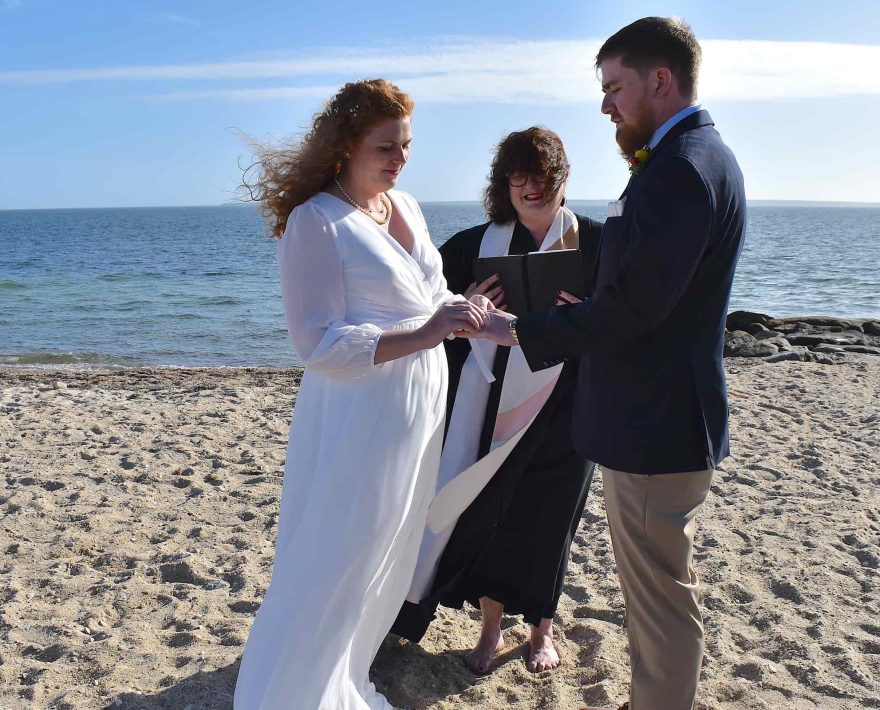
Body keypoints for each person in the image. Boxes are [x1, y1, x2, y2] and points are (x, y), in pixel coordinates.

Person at [472, 18, 746, 710]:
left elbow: (632, 310)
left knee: (659, 594)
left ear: (660, 81)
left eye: (614, 88)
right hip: (665, 418)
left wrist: (523, 329)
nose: (605, 106)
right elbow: (647, 294)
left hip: (657, 425)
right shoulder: (699, 157)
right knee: (657, 587)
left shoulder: (681, 170)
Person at [233, 79, 487, 710]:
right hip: (359, 413)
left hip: (419, 409)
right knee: (335, 556)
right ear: (346, 146)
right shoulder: (315, 222)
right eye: (385, 147)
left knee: (387, 555)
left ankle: (342, 678)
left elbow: (429, 299)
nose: (399, 159)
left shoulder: (407, 206)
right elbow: (317, 345)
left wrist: (475, 316)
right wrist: (428, 330)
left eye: (406, 145)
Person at [391, 127, 603, 675]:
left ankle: (541, 634)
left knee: (551, 521)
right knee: (494, 517)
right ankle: (490, 631)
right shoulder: (470, 247)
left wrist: (584, 314)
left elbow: (624, 321)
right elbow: (420, 308)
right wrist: (465, 307)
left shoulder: (599, 245)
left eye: (541, 174)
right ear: (503, 182)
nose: (530, 186)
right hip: (491, 405)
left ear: (562, 178)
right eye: (518, 175)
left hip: (567, 408)